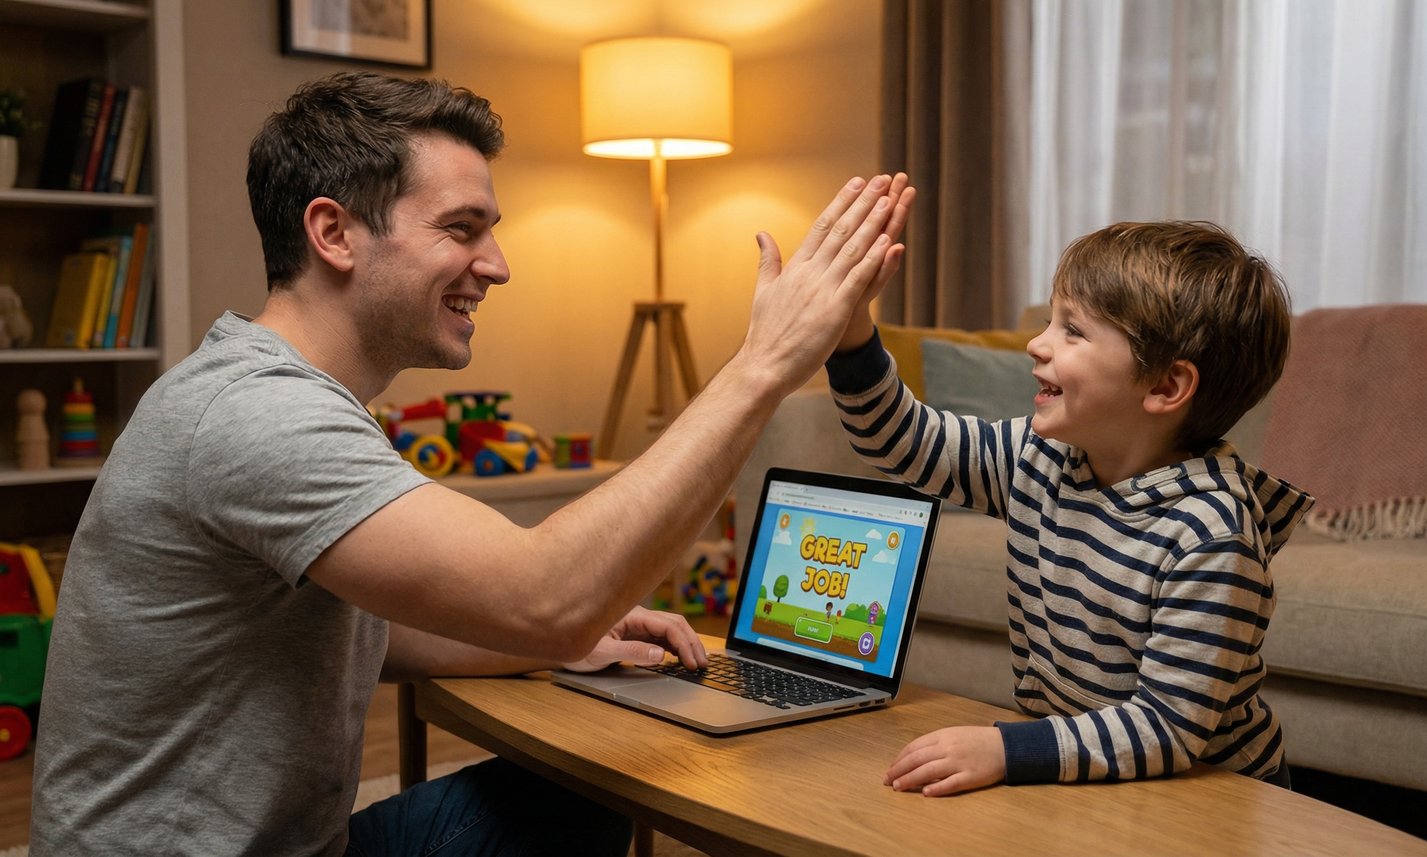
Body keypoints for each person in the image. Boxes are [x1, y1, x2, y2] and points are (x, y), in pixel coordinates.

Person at [30, 71, 914, 856]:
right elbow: (546, 594)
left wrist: (563, 642)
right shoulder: (258, 414)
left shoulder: (284, 394)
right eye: (462, 229)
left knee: (579, 796)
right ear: (334, 232)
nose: (497, 265)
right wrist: (763, 365)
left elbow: (372, 628)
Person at [824, 221, 1314, 796]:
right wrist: (851, 332)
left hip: (1213, 791)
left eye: (1073, 331)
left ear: (1164, 386)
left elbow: (1166, 730)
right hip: (1097, 768)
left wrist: (1006, 749)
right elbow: (904, 441)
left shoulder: (1212, 537)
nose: (1037, 343)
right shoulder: (1041, 457)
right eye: (1051, 321)